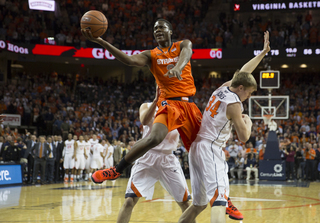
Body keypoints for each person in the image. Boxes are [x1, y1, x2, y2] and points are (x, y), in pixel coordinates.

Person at [82, 18, 202, 182]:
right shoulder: (151, 55)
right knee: (154, 138)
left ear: (171, 31)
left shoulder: (183, 44)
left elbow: (187, 53)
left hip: (189, 105)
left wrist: (178, 68)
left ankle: (223, 198)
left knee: (203, 150)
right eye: (155, 28)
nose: (157, 30)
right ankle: (116, 170)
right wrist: (101, 41)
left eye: (161, 27)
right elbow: (129, 60)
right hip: (169, 103)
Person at [178, 31, 270, 223]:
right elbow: (244, 137)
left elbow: (244, 72)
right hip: (210, 149)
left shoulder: (224, 87)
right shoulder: (235, 104)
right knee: (220, 201)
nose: (249, 97)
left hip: (196, 148)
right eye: (249, 93)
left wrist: (262, 54)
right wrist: (249, 121)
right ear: (241, 89)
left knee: (199, 204)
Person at [116, 88, 194, 223]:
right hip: (147, 156)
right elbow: (145, 121)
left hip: (168, 159)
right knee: (129, 201)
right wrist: (155, 102)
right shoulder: (146, 105)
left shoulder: (180, 108)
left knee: (185, 204)